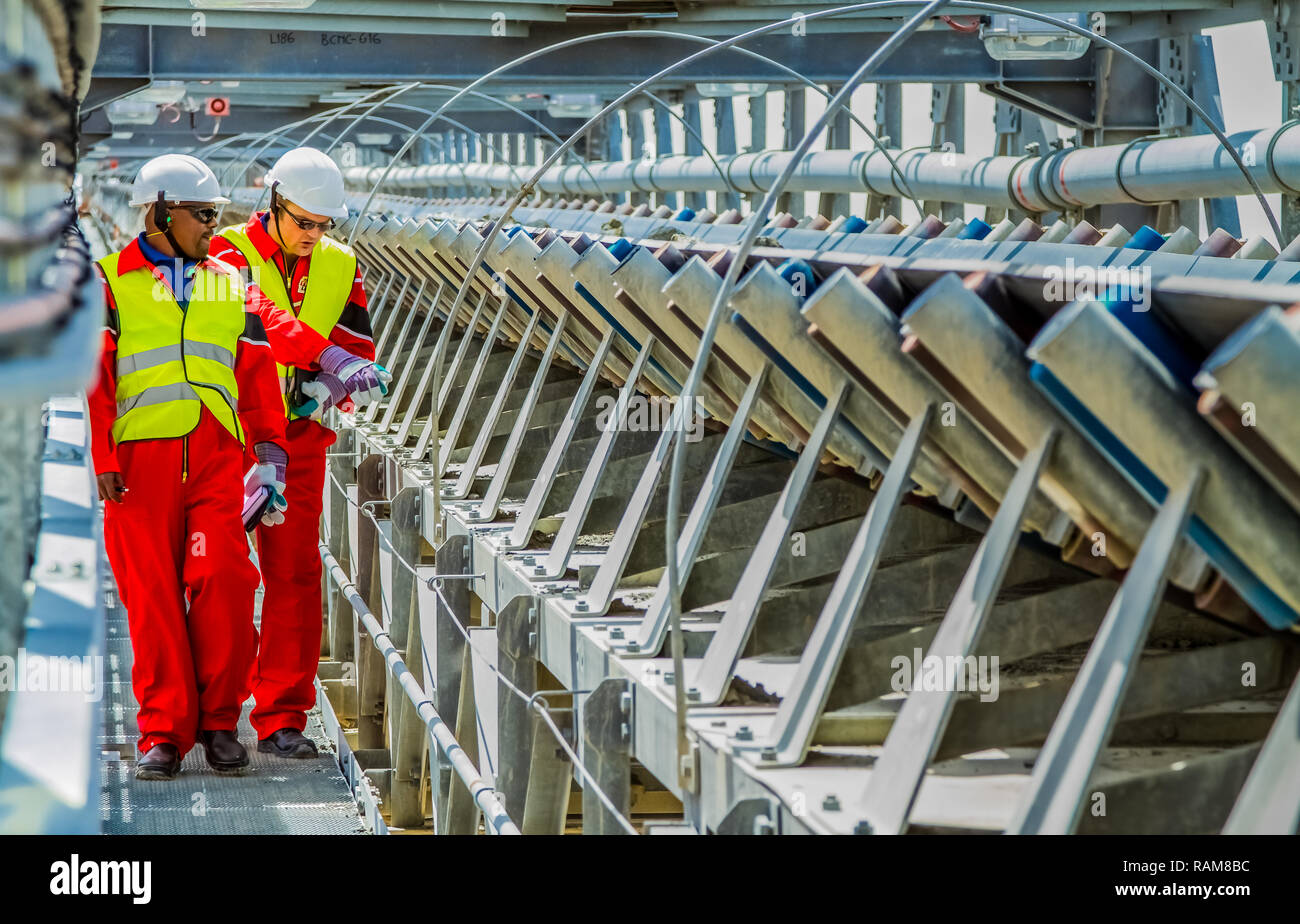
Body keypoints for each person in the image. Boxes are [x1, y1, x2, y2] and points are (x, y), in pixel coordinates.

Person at [88, 154, 291, 781]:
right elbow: (93, 377)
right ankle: (163, 733)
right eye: (202, 215)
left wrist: (271, 450)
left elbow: (255, 370)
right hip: (139, 465)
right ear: (158, 213)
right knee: (152, 599)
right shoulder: (108, 283)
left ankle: (219, 724)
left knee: (226, 580)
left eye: (215, 214)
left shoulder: (232, 281)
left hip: (214, 457)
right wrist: (103, 457)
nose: (213, 225)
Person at [210, 146, 389, 759]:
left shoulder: (341, 264)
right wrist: (324, 358)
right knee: (226, 577)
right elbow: (254, 315)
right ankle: (217, 715)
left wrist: (338, 378)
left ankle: (283, 716)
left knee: (295, 573)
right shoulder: (228, 252)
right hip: (233, 437)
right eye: (304, 222)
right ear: (276, 204)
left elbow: (353, 336)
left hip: (303, 438)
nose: (315, 235)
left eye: (324, 224)